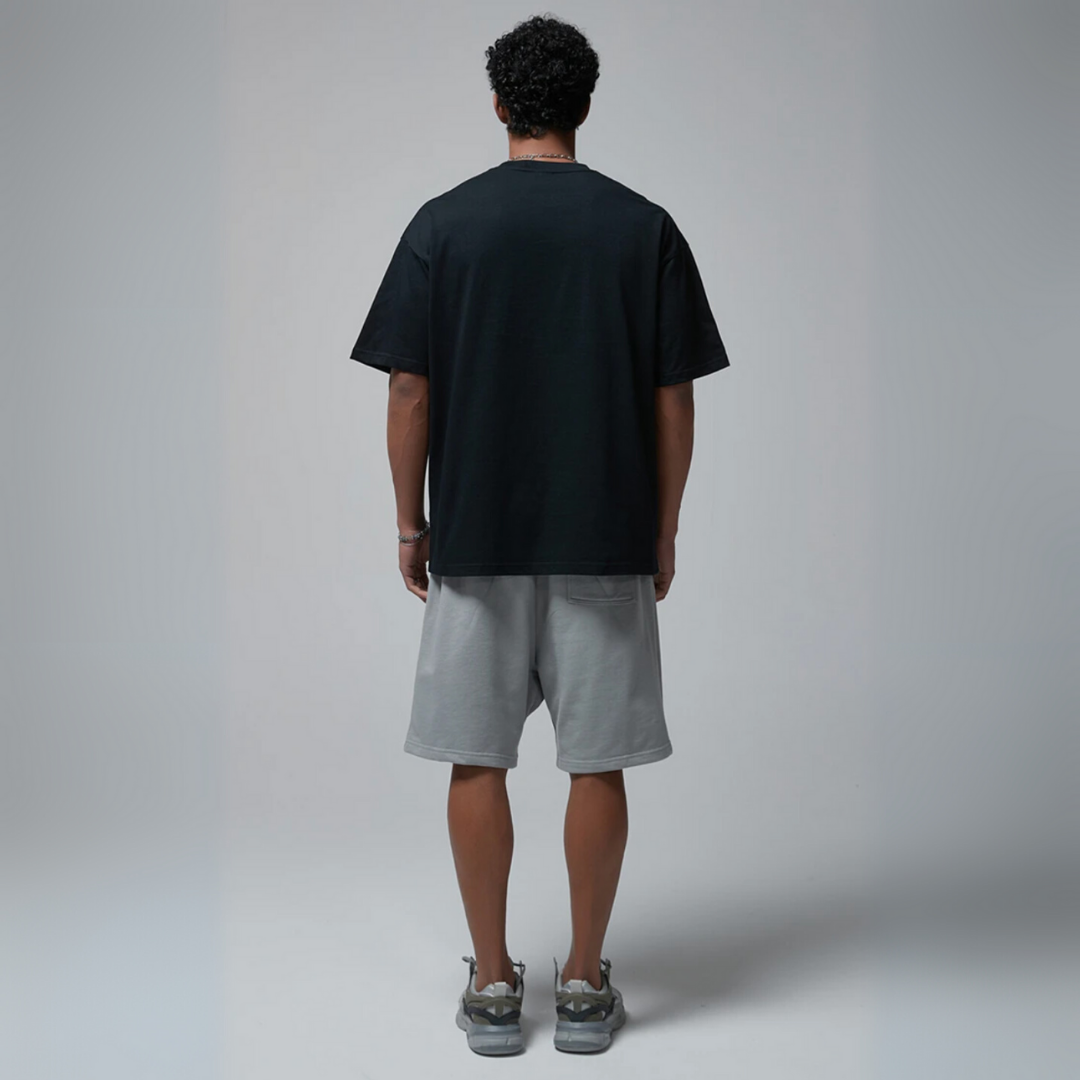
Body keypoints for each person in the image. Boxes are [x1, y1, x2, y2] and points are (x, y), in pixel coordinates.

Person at [349, 14, 729, 1056]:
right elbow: (676, 399)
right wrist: (663, 528)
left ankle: (490, 984)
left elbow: (410, 389)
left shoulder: (444, 225)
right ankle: (585, 985)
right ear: (585, 105)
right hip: (604, 533)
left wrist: (410, 523)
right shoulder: (643, 227)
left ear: (498, 105)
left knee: (477, 760)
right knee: (595, 764)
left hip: (476, 537)